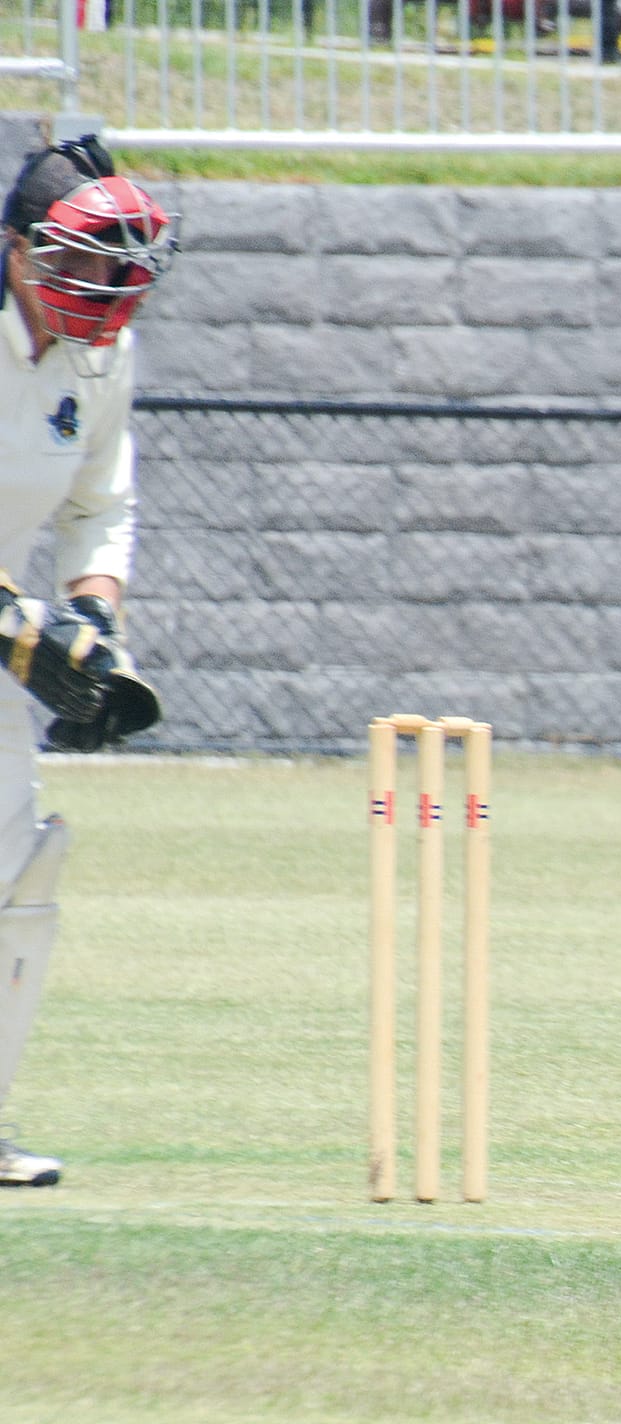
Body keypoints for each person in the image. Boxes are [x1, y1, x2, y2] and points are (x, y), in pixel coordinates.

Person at [0, 134, 171, 1187]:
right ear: (19, 252)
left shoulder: (99, 354)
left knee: (22, 872)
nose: (111, 291)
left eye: (123, 266)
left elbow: (99, 505)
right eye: (88, 264)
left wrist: (89, 624)